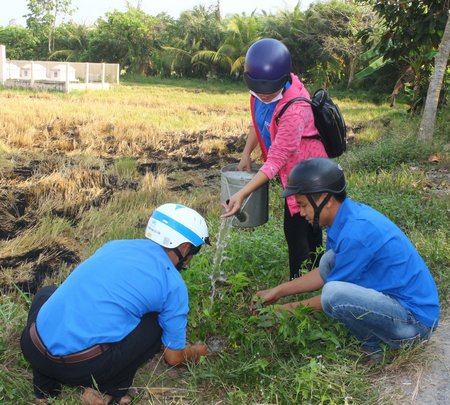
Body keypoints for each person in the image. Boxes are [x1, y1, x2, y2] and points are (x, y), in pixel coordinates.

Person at [21, 203, 210, 405]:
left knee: (47, 292)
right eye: (195, 250)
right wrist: (197, 351)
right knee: (156, 324)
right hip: (81, 369)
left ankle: (45, 390)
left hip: (31, 348)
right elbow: (173, 358)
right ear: (184, 247)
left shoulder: (115, 245)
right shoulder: (173, 285)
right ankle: (110, 393)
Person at [255, 158, 439, 362]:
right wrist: (279, 291)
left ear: (325, 199)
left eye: (303, 205)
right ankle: (373, 342)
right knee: (328, 261)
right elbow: (326, 274)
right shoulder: (346, 218)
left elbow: (332, 297)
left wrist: (284, 312)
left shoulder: (357, 233)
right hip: (400, 309)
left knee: (332, 294)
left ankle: (374, 348)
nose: (301, 212)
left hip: (415, 325)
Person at [222, 38, 328, 279]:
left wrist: (242, 192)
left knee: (297, 231)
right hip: (290, 173)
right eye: (258, 93)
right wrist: (246, 153)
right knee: (306, 229)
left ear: (282, 80)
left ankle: (300, 285)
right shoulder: (259, 94)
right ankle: (314, 274)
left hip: (309, 174)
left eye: (268, 94)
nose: (263, 97)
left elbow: (276, 160)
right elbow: (257, 121)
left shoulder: (296, 108)